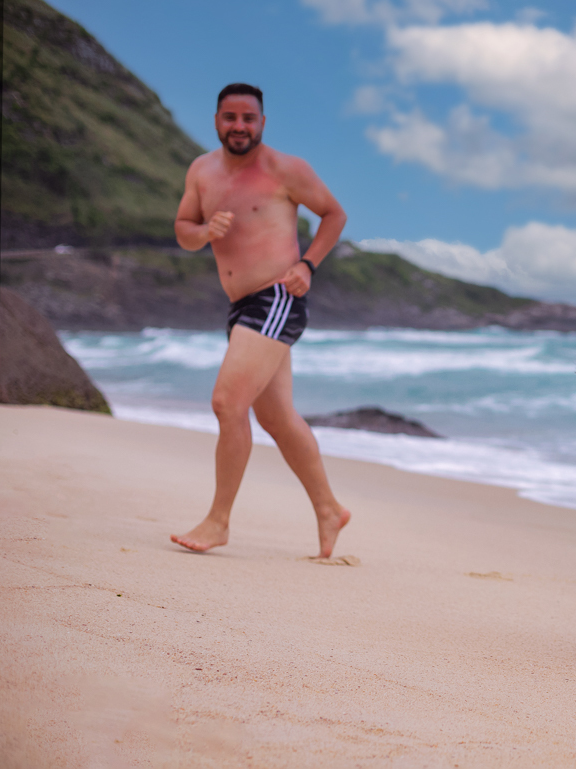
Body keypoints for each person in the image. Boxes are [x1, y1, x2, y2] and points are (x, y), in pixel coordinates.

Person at [169, 83, 350, 558]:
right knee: (276, 417)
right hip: (240, 307)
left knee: (228, 402)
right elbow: (184, 232)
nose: (239, 126)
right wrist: (205, 231)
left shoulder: (284, 169)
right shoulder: (202, 172)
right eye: (230, 117)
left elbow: (334, 214)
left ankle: (219, 521)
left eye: (249, 118)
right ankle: (330, 509)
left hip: (276, 298)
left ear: (262, 123)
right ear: (216, 121)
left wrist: (307, 265)